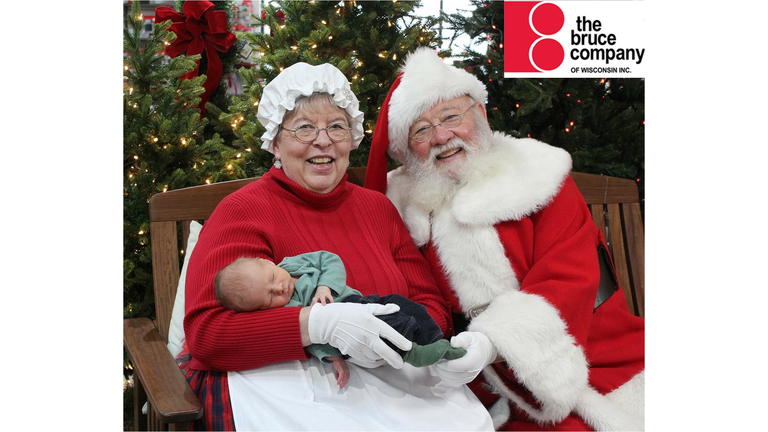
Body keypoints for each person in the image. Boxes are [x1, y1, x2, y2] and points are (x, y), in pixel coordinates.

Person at [177, 61, 492, 431]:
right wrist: (318, 326)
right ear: (275, 143)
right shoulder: (243, 211)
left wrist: (399, 337)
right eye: (304, 127)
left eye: (337, 126)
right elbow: (209, 335)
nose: (323, 140)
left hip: (391, 377)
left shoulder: (378, 209)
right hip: (291, 387)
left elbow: (432, 307)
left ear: (351, 138)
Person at [365, 47, 645, 431]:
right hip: (472, 385)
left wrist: (496, 343)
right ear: (407, 153)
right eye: (422, 130)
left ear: (480, 114)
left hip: (593, 354)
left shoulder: (539, 175)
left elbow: (569, 277)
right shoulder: (402, 211)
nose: (442, 137)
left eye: (451, 117)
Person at [212, 251, 467, 388]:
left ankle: (436, 343)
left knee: (402, 304)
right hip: (349, 331)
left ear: (267, 262)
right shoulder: (287, 308)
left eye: (272, 277)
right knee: (388, 328)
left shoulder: (293, 264)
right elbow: (311, 340)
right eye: (269, 296)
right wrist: (333, 358)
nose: (279, 288)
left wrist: (325, 286)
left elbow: (329, 259)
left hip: (360, 301)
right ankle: (414, 354)